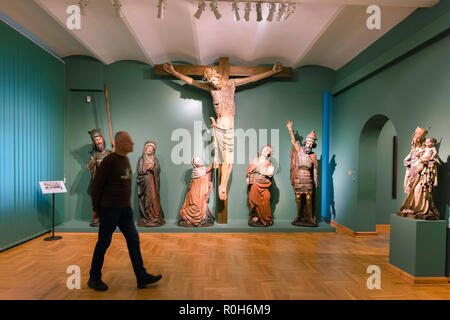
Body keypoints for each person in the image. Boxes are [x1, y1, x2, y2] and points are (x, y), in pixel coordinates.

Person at [162, 61, 283, 201]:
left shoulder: (231, 84)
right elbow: (191, 82)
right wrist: (174, 72)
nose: (213, 85)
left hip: (229, 127)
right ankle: (222, 186)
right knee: (226, 160)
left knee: (230, 161)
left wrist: (272, 72)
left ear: (218, 76)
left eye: (213, 81)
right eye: (210, 83)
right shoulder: (211, 89)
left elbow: (251, 78)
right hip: (219, 127)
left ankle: (223, 185)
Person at [88, 131, 162, 291]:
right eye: (129, 141)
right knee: (103, 243)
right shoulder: (109, 161)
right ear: (120, 143)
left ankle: (141, 277)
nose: (133, 144)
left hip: (124, 211)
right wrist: (96, 209)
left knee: (133, 241)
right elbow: (96, 187)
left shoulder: (125, 160)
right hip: (109, 210)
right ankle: (94, 278)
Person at [398, 128, 440, 220]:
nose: (416, 139)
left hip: (421, 172)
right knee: (410, 190)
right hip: (412, 171)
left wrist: (427, 162)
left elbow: (432, 158)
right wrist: (410, 164)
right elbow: (406, 160)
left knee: (420, 190)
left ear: (422, 139)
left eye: (419, 138)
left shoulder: (425, 148)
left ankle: (421, 208)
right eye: (415, 138)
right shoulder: (413, 150)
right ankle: (413, 207)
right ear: (413, 139)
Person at [286, 120, 319, 227]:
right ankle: (299, 216)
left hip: (308, 178)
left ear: (313, 145)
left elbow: (314, 169)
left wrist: (316, 180)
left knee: (309, 199)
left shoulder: (313, 155)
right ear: (305, 143)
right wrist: (290, 130)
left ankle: (310, 217)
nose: (309, 145)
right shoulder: (299, 150)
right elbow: (293, 141)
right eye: (308, 143)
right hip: (299, 177)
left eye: (311, 143)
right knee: (298, 198)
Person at [178, 156, 215, 227]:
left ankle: (197, 218)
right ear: (194, 164)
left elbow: (209, 169)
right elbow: (192, 183)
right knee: (195, 205)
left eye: (200, 160)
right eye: (197, 161)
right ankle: (185, 214)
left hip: (201, 192)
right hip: (194, 191)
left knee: (200, 206)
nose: (200, 161)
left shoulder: (203, 169)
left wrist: (215, 161)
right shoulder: (195, 171)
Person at [86, 129, 111, 227]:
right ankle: (97, 219)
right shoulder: (94, 155)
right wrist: (94, 162)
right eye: (96, 141)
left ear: (103, 140)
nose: (98, 142)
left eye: (99, 139)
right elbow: (88, 168)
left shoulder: (109, 153)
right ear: (94, 143)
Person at [137, 141, 165, 227]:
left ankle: (156, 216)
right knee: (146, 198)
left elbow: (158, 170)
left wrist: (153, 169)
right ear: (145, 149)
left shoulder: (155, 160)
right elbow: (140, 171)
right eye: (148, 148)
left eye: (152, 149)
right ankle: (148, 217)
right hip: (145, 183)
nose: (150, 150)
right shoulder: (141, 159)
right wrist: (146, 168)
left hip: (153, 181)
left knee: (154, 198)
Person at [246, 145, 275, 227]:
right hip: (255, 183)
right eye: (266, 149)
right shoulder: (255, 160)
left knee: (266, 199)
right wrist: (248, 178)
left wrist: (270, 172)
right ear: (261, 151)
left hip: (264, 184)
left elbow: (270, 175)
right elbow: (249, 171)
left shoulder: (268, 164)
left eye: (269, 151)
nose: (267, 151)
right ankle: (255, 217)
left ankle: (265, 218)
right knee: (254, 201)